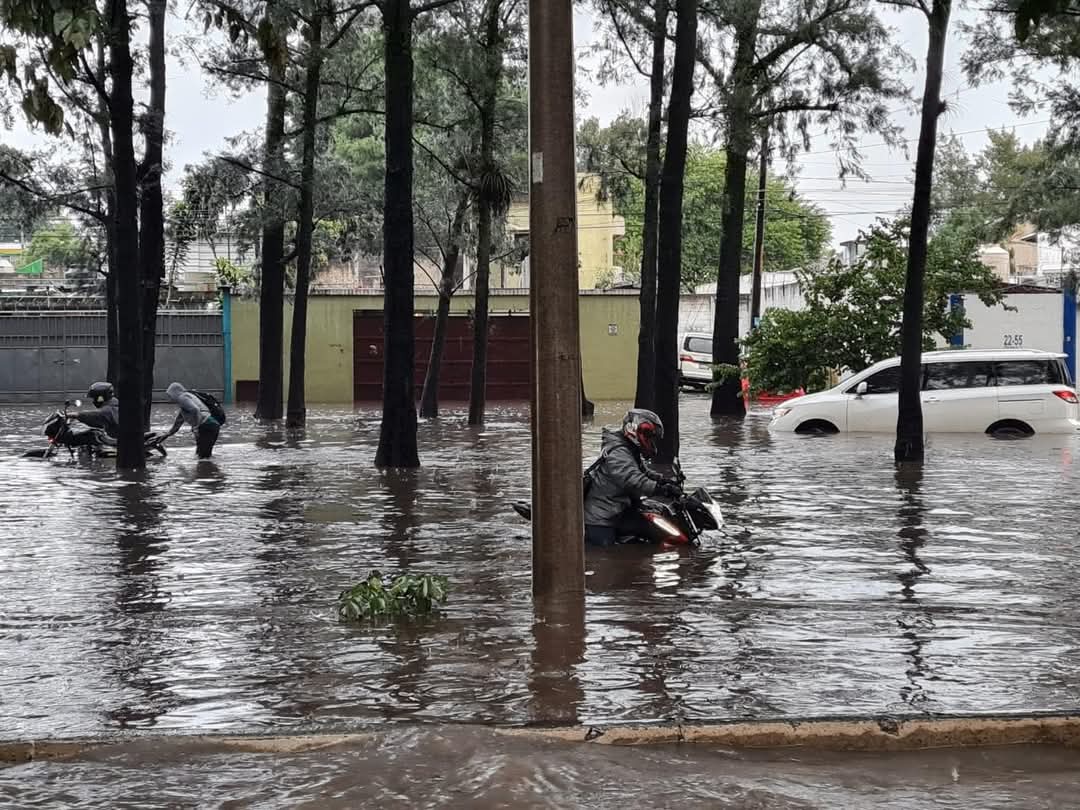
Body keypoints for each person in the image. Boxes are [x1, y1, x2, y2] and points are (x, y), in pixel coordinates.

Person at [582, 408, 681, 547]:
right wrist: (660, 489)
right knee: (605, 558)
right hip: (602, 518)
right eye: (648, 435)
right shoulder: (618, 452)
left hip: (620, 510)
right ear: (633, 429)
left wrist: (663, 480)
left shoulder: (628, 448)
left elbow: (642, 472)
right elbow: (632, 480)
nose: (650, 440)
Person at [165, 382, 221, 459]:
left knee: (203, 457)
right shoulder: (185, 401)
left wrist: (196, 427)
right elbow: (178, 422)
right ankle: (208, 469)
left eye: (169, 395)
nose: (169, 398)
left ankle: (206, 470)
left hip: (207, 426)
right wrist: (167, 434)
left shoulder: (182, 398)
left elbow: (196, 409)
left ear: (175, 392)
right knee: (203, 457)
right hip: (211, 426)